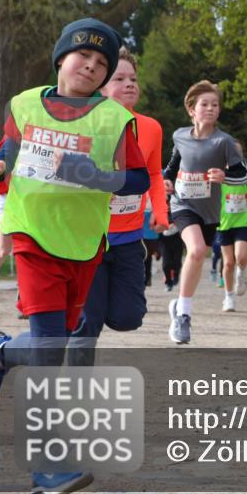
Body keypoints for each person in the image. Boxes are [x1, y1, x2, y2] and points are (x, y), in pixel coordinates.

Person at [0, 18, 148, 494]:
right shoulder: (26, 104)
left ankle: (1, 353)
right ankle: (48, 470)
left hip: (84, 244)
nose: (90, 67)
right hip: (32, 235)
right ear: (61, 59)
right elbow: (6, 153)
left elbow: (136, 180)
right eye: (81, 58)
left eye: (101, 64)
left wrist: (99, 177)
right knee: (52, 349)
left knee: (58, 346)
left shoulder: (115, 119)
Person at [73, 47, 168, 357]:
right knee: (89, 321)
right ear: (101, 85)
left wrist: (161, 212)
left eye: (133, 78)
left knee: (128, 318)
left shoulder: (151, 127)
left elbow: (153, 173)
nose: (129, 84)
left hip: (129, 238)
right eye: (119, 78)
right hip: (91, 238)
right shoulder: (86, 122)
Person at [162, 80, 247, 344]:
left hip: (209, 211)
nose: (210, 109)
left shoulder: (224, 142)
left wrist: (224, 176)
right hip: (182, 204)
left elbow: (242, 174)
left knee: (198, 255)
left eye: (215, 105)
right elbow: (174, 165)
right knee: (197, 250)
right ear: (192, 109)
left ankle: (179, 305)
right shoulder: (179, 135)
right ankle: (184, 316)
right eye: (204, 104)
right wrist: (166, 180)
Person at [217, 142, 247, 312]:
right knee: (228, 263)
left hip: (243, 220)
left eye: (238, 152)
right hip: (223, 222)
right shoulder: (218, 172)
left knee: (241, 257)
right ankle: (229, 297)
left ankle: (241, 274)